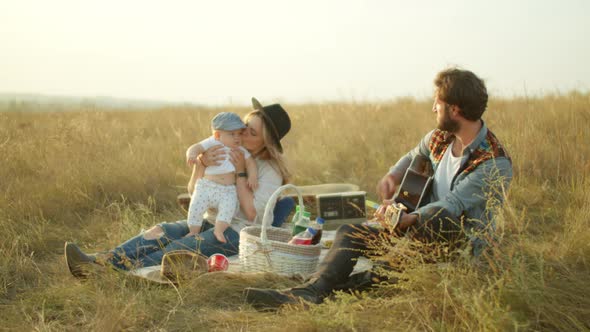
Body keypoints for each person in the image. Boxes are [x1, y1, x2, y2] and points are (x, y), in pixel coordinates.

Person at [244, 68, 513, 309]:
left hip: (457, 243)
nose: (433, 108)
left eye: (438, 103)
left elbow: (451, 204)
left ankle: (316, 291)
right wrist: (393, 176)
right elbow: (414, 155)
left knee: (431, 223)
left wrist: (408, 219)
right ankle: (313, 292)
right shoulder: (440, 137)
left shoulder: (493, 162)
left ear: (454, 110)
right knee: (350, 231)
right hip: (416, 231)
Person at [64, 98, 294, 277]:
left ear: (267, 142)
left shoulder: (269, 170)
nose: (242, 133)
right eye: (244, 126)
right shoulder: (224, 149)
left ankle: (113, 274)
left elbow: (252, 214)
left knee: (179, 249)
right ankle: (98, 261)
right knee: (161, 231)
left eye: (251, 132)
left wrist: (242, 173)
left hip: (238, 233)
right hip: (210, 221)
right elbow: (196, 192)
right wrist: (201, 166)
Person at [185, 112, 259, 244]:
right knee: (196, 207)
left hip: (227, 190)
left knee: (228, 209)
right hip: (207, 186)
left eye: (239, 133)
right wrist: (192, 155)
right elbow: (196, 147)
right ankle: (193, 230)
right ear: (218, 135)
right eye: (232, 134)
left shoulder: (240, 149)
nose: (237, 138)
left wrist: (252, 176)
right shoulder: (212, 142)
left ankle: (218, 230)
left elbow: (250, 163)